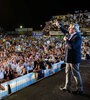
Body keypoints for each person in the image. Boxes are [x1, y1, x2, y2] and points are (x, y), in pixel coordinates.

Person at [54, 19, 83, 95]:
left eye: (70, 28)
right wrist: (58, 24)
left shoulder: (78, 37)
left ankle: (79, 89)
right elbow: (63, 30)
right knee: (67, 73)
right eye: (69, 28)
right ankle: (67, 87)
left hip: (74, 59)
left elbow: (72, 47)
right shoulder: (70, 34)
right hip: (68, 58)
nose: (69, 29)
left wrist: (66, 40)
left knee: (75, 74)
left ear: (74, 30)